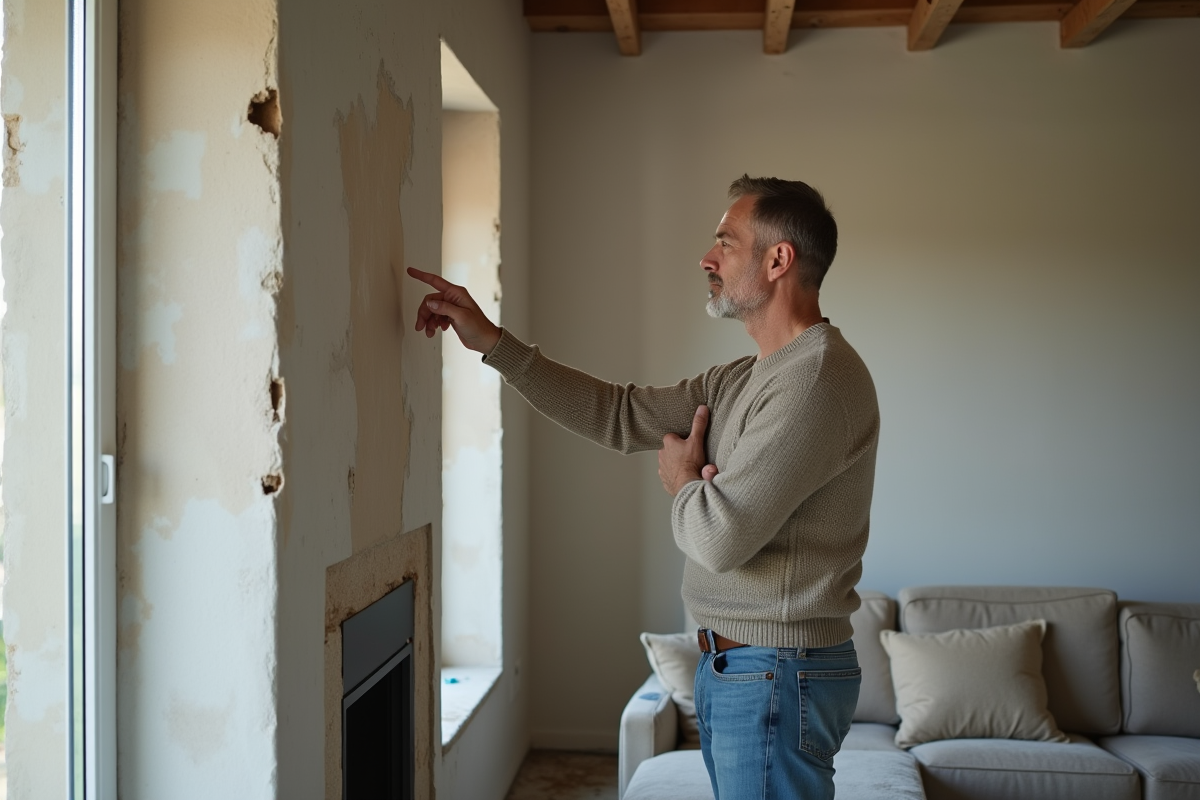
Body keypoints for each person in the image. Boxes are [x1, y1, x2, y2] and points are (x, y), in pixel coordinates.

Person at [409, 175, 880, 800]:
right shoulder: (743, 377)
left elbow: (718, 539)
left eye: (726, 243)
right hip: (740, 669)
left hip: (774, 671)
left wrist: (684, 481)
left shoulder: (816, 379)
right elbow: (618, 414)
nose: (707, 259)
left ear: (778, 260)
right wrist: (493, 343)